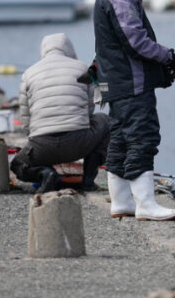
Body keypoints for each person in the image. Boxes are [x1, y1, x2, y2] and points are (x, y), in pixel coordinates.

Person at [89, 0, 175, 221]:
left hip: (114, 81)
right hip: (130, 82)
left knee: (119, 138)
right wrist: (169, 56)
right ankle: (146, 205)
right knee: (142, 136)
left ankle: (121, 203)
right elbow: (136, 41)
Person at [11, 33, 110, 193]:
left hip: (42, 148)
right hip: (78, 144)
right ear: (69, 49)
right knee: (105, 121)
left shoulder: (28, 74)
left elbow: (26, 120)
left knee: (17, 165)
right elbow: (89, 109)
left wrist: (36, 142)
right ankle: (88, 182)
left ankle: (45, 173)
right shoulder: (82, 68)